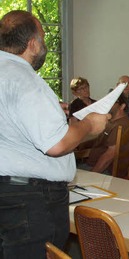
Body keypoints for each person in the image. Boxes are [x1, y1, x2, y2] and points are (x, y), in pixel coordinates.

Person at [0, 10, 109, 257]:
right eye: (43, 39)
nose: (44, 45)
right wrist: (89, 125)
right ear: (32, 44)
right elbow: (57, 144)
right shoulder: (24, 79)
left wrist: (51, 113)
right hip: (31, 200)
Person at [84, 94, 129, 175]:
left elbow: (109, 156)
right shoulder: (113, 122)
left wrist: (92, 175)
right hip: (98, 166)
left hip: (102, 170)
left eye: (112, 101)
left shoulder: (119, 126)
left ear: (122, 106)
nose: (108, 104)